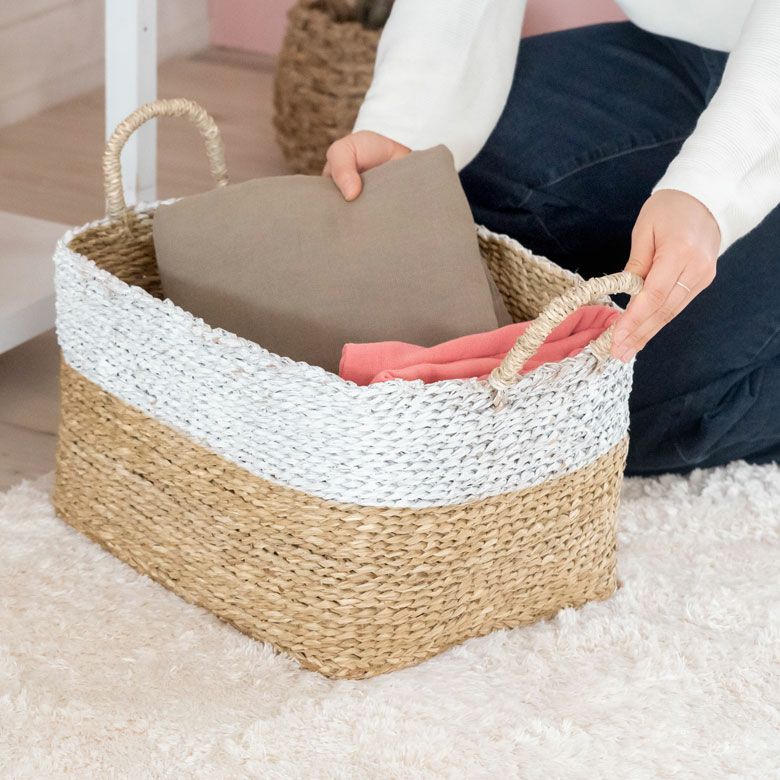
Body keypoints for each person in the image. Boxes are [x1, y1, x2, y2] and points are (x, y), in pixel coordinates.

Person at [323, 0, 780, 475]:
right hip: (687, 49)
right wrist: (406, 123)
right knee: (458, 192)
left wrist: (707, 191)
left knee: (611, 415)